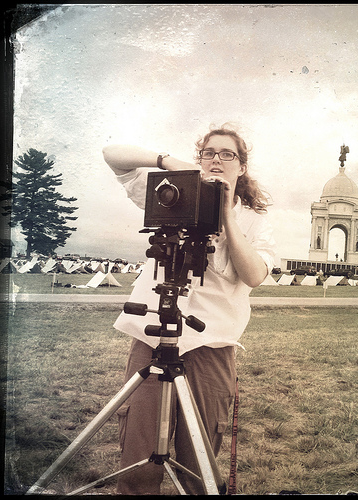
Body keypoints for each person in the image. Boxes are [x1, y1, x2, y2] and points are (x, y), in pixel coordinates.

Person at [102, 124, 276, 495]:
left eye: (227, 154)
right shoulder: (173, 192)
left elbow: (254, 274)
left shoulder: (253, 219)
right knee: (138, 455)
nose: (217, 160)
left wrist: (225, 215)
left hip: (210, 345)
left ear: (241, 167)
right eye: (208, 153)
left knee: (199, 466)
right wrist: (168, 162)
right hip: (151, 339)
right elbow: (112, 155)